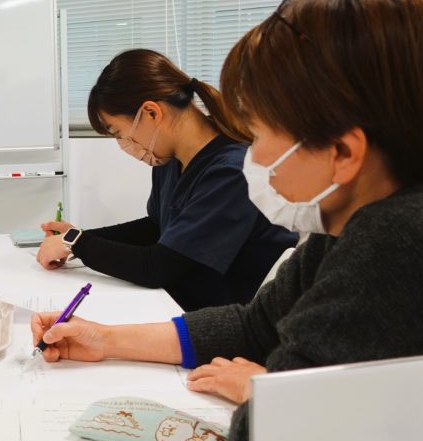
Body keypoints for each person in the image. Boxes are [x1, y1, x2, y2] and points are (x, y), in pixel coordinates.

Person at [31, 0, 423, 441]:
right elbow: (255, 327)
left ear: (342, 152)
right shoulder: (343, 223)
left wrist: (262, 390)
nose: (253, 152)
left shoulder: (401, 239)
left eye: (261, 130)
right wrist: (104, 338)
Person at [37, 49, 297, 311]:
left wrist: (77, 243)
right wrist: (75, 238)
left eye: (119, 133)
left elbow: (157, 267)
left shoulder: (231, 171)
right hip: (182, 301)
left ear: (151, 113)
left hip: (224, 316)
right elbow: (157, 226)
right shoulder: (170, 159)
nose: (123, 144)